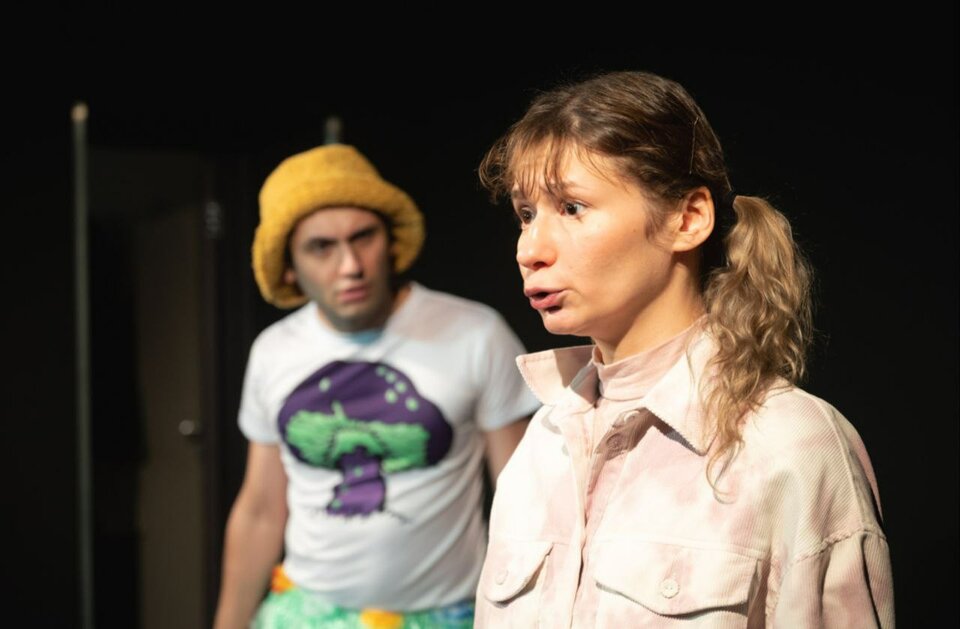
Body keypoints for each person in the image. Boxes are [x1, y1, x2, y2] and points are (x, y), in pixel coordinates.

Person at [473, 71, 894, 627]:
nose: (530, 249)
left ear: (688, 218)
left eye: (572, 208)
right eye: (526, 215)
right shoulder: (544, 442)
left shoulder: (790, 445)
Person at [213, 143, 539, 628]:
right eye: (321, 247)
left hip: (445, 614)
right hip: (304, 613)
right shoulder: (274, 352)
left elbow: (524, 498)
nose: (350, 265)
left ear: (389, 240)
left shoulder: (475, 334)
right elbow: (261, 508)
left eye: (362, 237)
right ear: (289, 266)